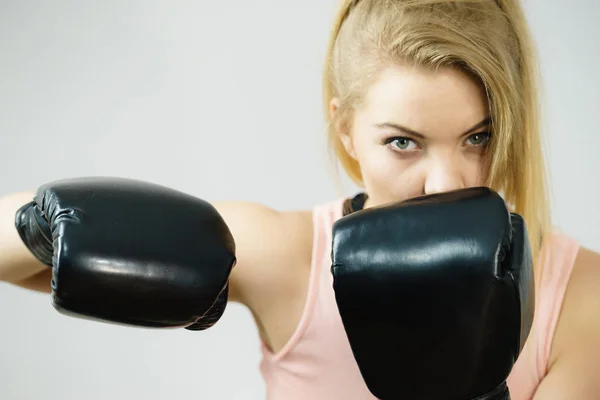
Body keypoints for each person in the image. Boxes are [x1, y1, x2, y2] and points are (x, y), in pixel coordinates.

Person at [0, 0, 599, 399]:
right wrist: (39, 229)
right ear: (346, 131)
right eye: (403, 142)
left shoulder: (580, 295)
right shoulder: (288, 259)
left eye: (479, 136)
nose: (447, 182)